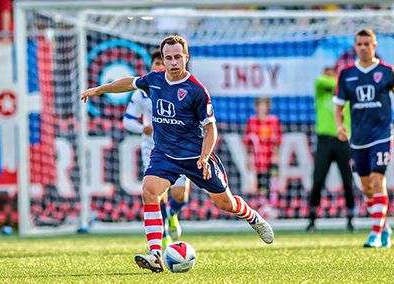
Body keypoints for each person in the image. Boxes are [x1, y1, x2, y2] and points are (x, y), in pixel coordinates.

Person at [81, 35, 274, 273]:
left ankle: (252, 216)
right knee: (149, 192)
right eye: (168, 58)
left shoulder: (196, 90)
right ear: (163, 59)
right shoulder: (153, 80)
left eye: (177, 57)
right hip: (164, 155)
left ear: (186, 58)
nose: (173, 63)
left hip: (194, 157)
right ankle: (155, 254)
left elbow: (210, 128)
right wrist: (100, 89)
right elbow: (129, 82)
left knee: (226, 203)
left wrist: (204, 156)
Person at [334, 28, 394, 248]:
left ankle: (375, 234)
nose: (363, 48)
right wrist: (340, 126)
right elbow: (338, 107)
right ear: (355, 47)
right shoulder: (346, 74)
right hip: (358, 139)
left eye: (367, 44)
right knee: (367, 187)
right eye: (359, 44)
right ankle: (384, 226)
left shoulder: (387, 72)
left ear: (374, 46)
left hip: (381, 136)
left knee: (378, 182)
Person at [122, 49, 188, 249]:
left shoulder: (182, 88)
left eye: (163, 63)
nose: (160, 67)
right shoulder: (142, 92)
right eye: (157, 63)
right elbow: (127, 121)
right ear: (151, 67)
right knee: (155, 192)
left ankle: (171, 215)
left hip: (179, 147)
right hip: (153, 148)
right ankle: (164, 236)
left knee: (179, 197)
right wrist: (143, 128)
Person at [306, 67, 355, 233]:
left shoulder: (345, 98)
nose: (328, 78)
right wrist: (339, 82)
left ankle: (350, 218)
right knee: (318, 181)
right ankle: (312, 220)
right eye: (327, 74)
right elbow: (320, 81)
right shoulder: (322, 92)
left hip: (342, 141)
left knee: (348, 181)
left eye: (332, 75)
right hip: (324, 142)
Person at [243, 97, 282, 197]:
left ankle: (272, 204)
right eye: (259, 106)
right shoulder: (252, 121)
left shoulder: (273, 121)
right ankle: (262, 203)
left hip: (270, 158)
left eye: (264, 106)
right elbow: (248, 143)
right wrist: (248, 158)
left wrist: (276, 155)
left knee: (272, 183)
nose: (261, 109)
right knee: (259, 184)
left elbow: (278, 141)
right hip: (257, 160)